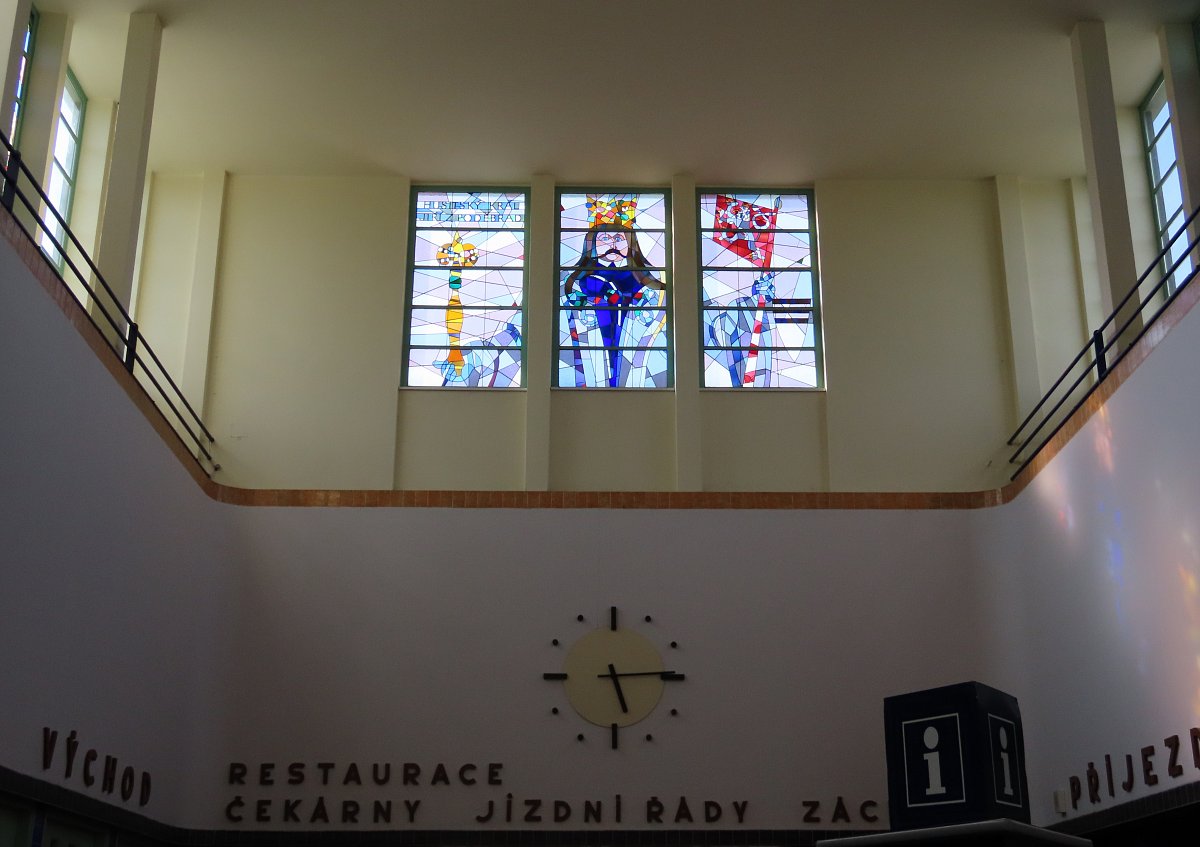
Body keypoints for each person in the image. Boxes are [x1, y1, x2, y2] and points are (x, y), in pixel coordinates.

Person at [562, 224, 665, 387]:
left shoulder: (643, 276)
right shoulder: (578, 277)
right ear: (592, 244)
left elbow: (656, 298)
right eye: (604, 238)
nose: (612, 244)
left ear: (630, 243)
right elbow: (573, 300)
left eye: (618, 238)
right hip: (595, 338)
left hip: (630, 336)